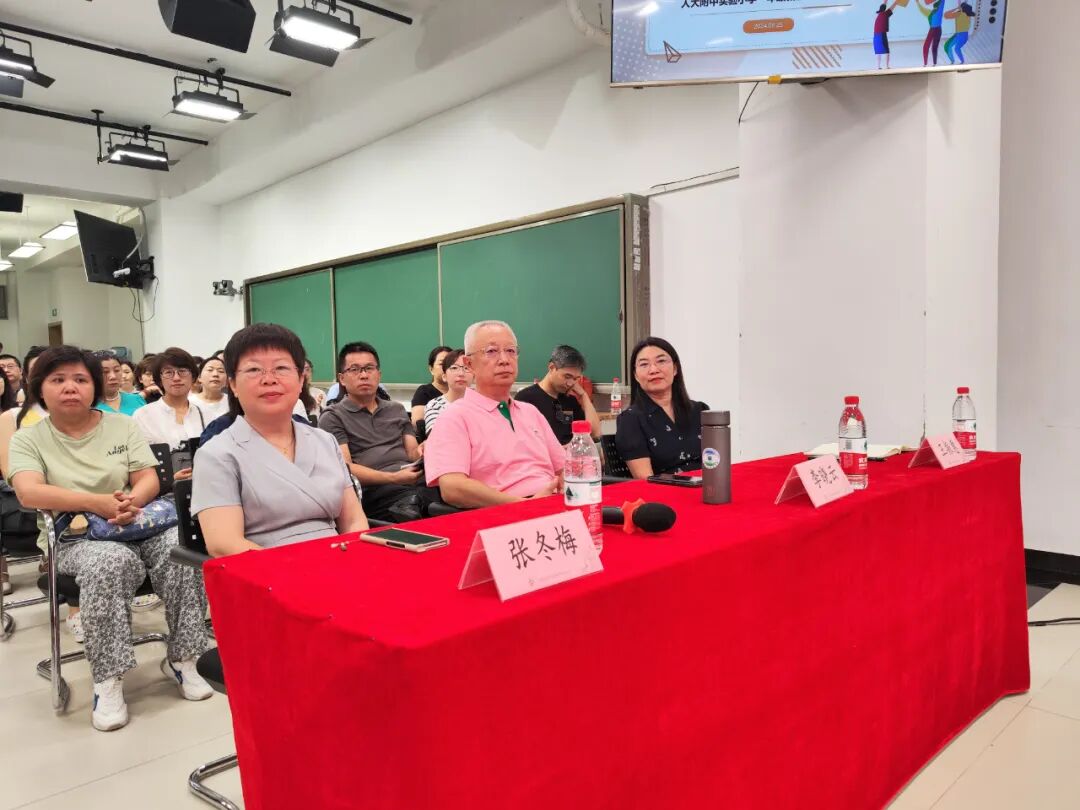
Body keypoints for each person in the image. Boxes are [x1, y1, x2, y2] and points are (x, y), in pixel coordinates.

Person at [8, 346, 211, 732]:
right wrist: (94, 503)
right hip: (75, 536)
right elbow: (29, 491)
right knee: (111, 562)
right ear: (40, 387)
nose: (71, 387)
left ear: (95, 386)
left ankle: (185, 658)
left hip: (134, 521)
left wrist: (131, 503)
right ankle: (108, 679)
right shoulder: (29, 438)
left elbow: (148, 477)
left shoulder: (121, 425)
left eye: (80, 379)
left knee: (180, 550)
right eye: (58, 379)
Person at [193, 324, 367, 556]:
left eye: (281, 368)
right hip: (263, 570)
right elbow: (224, 543)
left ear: (301, 379)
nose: (269, 379)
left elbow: (354, 521)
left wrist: (354, 560)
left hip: (340, 559)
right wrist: (300, 570)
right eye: (254, 369)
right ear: (233, 384)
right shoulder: (216, 454)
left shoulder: (325, 441)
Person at [424, 321, 564, 508]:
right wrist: (524, 506)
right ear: (469, 364)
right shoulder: (453, 417)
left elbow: (564, 468)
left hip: (554, 505)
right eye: (491, 351)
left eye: (511, 351)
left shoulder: (530, 412)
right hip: (504, 514)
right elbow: (453, 488)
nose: (505, 360)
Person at [318, 341, 423, 521]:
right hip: (373, 492)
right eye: (355, 369)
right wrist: (393, 478)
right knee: (421, 503)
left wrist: (425, 450)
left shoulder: (396, 409)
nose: (364, 375)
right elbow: (346, 469)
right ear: (342, 378)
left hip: (411, 481)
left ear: (378, 375)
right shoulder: (333, 416)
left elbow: (412, 452)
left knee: (449, 491)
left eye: (369, 368)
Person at [615, 337, 709, 480]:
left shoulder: (700, 410)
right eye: (644, 364)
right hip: (666, 490)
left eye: (661, 361)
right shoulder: (630, 420)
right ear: (636, 376)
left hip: (708, 487)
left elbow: (716, 462)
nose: (653, 370)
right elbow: (645, 479)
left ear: (675, 368)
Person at [132, 349, 207, 481]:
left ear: (193, 377)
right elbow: (138, 464)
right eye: (168, 372)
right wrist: (169, 479)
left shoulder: (205, 413)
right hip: (161, 489)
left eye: (182, 371)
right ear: (159, 379)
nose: (176, 378)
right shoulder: (143, 416)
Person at [514, 345, 601, 445]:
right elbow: (524, 443)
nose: (570, 383)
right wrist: (562, 449)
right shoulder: (526, 398)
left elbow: (594, 434)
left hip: (571, 453)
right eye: (567, 376)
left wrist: (583, 396)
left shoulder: (570, 400)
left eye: (575, 379)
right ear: (551, 367)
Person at [424, 349, 471, 433]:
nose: (461, 373)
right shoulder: (435, 406)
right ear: (444, 376)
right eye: (454, 368)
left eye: (466, 368)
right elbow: (438, 437)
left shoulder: (483, 402)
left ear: (474, 374)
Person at [94, 351, 147, 417]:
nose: (113, 376)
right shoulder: (89, 405)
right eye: (105, 372)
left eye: (117, 370)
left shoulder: (137, 399)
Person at [410, 345, 452, 428]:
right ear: (431, 369)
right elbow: (418, 424)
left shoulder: (463, 392)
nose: (446, 367)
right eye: (441, 364)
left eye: (450, 364)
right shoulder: (424, 392)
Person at [189, 356, 230, 422]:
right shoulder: (189, 403)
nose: (215, 374)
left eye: (221, 371)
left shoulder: (233, 403)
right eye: (210, 370)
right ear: (199, 377)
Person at [916, 0, 946, 66]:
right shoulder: (937, 10)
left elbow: (922, 9)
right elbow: (922, 9)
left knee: (929, 47)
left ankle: (928, 64)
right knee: (932, 47)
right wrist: (917, 2)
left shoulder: (932, 12)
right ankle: (931, 63)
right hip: (937, 29)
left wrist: (917, 2)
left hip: (934, 30)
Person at [873, 1, 899, 70]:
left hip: (876, 35)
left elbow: (883, 6)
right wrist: (896, 2)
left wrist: (885, 1)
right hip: (882, 34)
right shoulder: (885, 14)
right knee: (887, 51)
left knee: (878, 52)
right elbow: (891, 7)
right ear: (884, 9)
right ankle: (887, 66)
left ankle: (878, 66)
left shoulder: (879, 14)